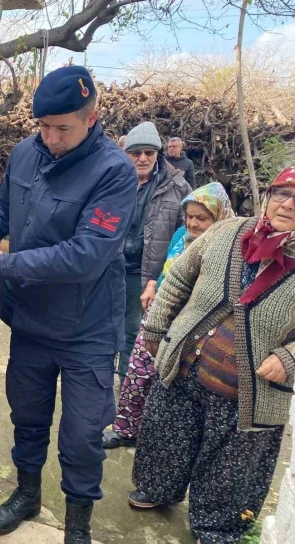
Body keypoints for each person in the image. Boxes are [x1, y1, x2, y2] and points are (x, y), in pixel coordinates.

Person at [0, 65, 138, 543]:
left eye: (63, 127)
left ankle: (77, 524)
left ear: (92, 117)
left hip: (87, 328)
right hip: (31, 320)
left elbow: (86, 255)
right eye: (44, 126)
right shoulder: (26, 152)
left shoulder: (114, 171)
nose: (51, 137)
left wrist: (2, 265)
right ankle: (26, 494)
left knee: (83, 436)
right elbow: (4, 207)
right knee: (27, 416)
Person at [128, 167, 295, 544]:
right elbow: (179, 278)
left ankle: (216, 525)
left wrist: (288, 360)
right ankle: (158, 489)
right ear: (268, 196)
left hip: (249, 390)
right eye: (281, 193)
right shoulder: (228, 232)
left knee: (230, 467)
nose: (286, 203)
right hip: (185, 364)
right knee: (166, 433)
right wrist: (156, 327)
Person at [102, 182, 234, 449]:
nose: (193, 224)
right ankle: (126, 429)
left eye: (202, 218)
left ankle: (159, 446)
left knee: (170, 389)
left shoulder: (228, 248)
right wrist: (153, 284)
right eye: (190, 216)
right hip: (159, 316)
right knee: (137, 375)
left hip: (193, 328)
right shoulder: (180, 236)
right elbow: (166, 269)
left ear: (219, 217)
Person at [119, 122, 192, 377]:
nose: (142, 158)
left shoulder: (178, 187)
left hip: (145, 274)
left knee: (133, 331)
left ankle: (124, 388)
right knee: (102, 329)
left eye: (149, 153)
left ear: (158, 153)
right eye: (136, 153)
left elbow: (187, 237)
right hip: (109, 270)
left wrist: (157, 279)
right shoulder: (111, 181)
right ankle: (98, 388)